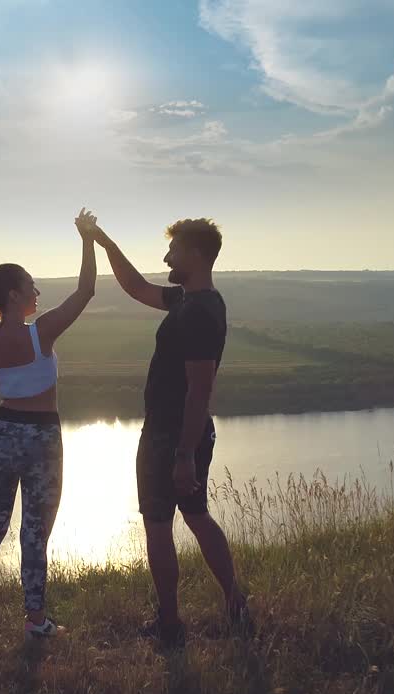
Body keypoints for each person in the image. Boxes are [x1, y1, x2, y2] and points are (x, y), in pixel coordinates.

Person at [86, 215, 251, 648]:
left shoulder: (197, 313)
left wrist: (182, 453)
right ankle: (236, 604)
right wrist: (103, 241)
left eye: (173, 250)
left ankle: (170, 623)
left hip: (171, 436)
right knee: (197, 517)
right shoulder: (192, 301)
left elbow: (200, 388)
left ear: (195, 255)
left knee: (158, 525)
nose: (166, 257)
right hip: (182, 435)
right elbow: (137, 287)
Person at [0, 208, 98, 639]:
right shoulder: (41, 333)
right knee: (34, 532)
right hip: (41, 440)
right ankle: (36, 621)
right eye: (31, 286)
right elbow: (87, 290)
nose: (37, 291)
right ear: (15, 296)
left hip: (0, 437)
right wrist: (87, 239)